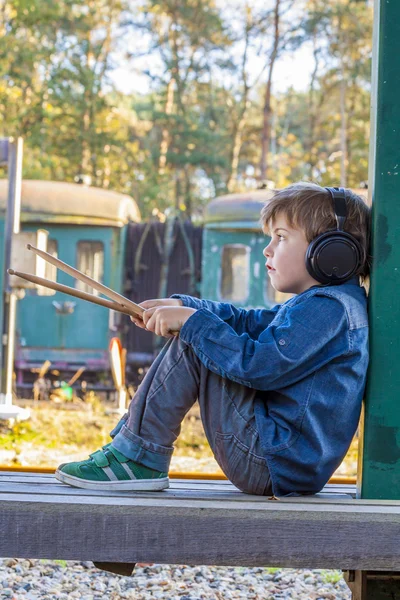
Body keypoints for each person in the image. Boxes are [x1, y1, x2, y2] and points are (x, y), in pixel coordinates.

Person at [55, 182, 371, 497]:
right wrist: (185, 307)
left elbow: (259, 367)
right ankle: (134, 453)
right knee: (198, 329)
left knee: (196, 337)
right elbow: (250, 321)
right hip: (282, 462)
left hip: (270, 461)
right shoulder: (325, 303)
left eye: (281, 237)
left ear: (331, 251)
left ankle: (137, 457)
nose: (268, 249)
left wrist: (193, 323)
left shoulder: (329, 310)